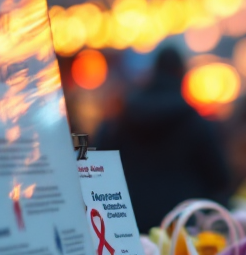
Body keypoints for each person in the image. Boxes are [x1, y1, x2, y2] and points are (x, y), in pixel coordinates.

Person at [94, 46, 230, 231]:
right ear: (182, 75)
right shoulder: (196, 123)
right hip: (182, 227)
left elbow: (98, 166)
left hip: (129, 223)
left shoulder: (120, 118)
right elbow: (219, 177)